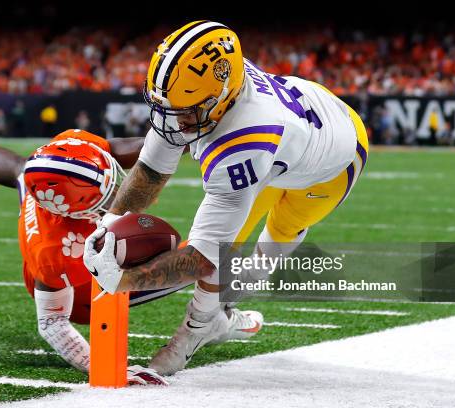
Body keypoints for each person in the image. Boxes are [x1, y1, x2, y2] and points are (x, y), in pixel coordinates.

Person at [83, 21, 369, 375]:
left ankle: (199, 329)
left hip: (332, 161)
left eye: (187, 111)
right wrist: (109, 221)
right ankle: (210, 320)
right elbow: (152, 171)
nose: (174, 122)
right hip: (295, 127)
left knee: (265, 249)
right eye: (166, 106)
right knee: (229, 246)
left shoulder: (244, 142)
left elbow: (202, 259)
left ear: (222, 97)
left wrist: (126, 280)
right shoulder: (200, 93)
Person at [0, 87, 174, 385]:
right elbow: (52, 324)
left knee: (20, 170)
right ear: (74, 213)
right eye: (105, 196)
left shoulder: (67, 148)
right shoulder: (51, 252)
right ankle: (211, 320)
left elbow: (109, 149)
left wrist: (173, 143)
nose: (118, 191)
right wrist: (104, 366)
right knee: (191, 260)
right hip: (74, 292)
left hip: (61, 215)